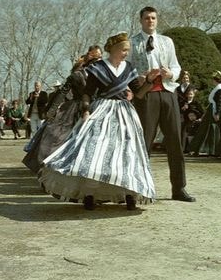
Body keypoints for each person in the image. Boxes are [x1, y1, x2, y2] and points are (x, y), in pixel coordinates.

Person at [38, 33, 157, 210]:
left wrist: (148, 81)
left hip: (124, 113)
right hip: (101, 111)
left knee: (127, 151)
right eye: (124, 50)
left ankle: (130, 193)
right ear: (114, 49)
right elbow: (88, 92)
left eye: (127, 50)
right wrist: (86, 110)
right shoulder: (98, 68)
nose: (126, 53)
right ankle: (89, 194)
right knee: (93, 153)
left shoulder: (129, 68)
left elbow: (139, 94)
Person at [128, 6, 196, 202]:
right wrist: (140, 79)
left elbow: (175, 65)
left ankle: (179, 188)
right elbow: (128, 68)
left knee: (175, 141)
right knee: (144, 143)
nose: (151, 21)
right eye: (147, 18)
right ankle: (138, 188)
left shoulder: (166, 42)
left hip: (167, 94)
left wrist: (171, 74)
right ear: (141, 21)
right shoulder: (133, 43)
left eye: (153, 18)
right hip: (146, 96)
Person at [22, 49, 101, 174]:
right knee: (55, 137)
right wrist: (52, 111)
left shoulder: (101, 75)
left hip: (96, 107)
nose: (98, 63)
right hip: (74, 110)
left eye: (100, 60)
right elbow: (62, 93)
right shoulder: (76, 75)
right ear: (88, 61)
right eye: (95, 60)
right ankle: (48, 169)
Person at [189, 71, 221, 157]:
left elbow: (220, 102)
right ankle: (209, 150)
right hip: (212, 110)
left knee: (215, 129)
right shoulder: (218, 88)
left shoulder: (220, 89)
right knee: (208, 129)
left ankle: (215, 150)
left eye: (213, 80)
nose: (212, 81)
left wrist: (217, 113)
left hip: (217, 111)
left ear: (216, 80)